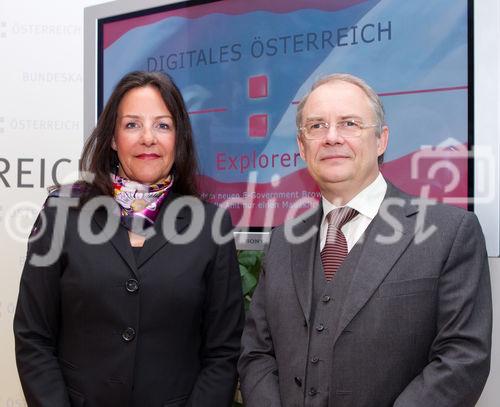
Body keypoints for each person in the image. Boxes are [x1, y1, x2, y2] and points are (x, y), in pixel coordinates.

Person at [238, 73, 492, 406]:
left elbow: (463, 359)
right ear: (302, 147)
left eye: (349, 123)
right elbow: (256, 353)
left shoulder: (450, 233)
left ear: (381, 140)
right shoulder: (283, 242)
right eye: (316, 126)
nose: (331, 137)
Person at [14, 71, 244, 407]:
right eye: (132, 125)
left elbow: (223, 352)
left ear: (178, 138)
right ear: (112, 138)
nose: (148, 138)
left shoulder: (211, 225)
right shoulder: (61, 213)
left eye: (163, 125)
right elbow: (33, 337)